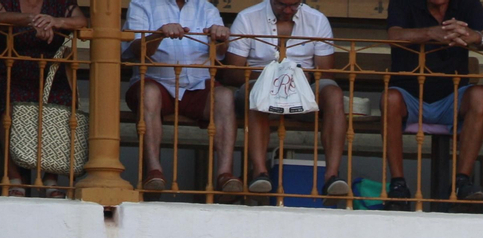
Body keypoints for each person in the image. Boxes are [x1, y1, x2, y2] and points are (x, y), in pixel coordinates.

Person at [223, 0, 349, 200]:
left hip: (303, 88)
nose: (289, 10)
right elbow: (234, 71)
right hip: (258, 82)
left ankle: (332, 176)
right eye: (282, 5)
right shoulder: (247, 18)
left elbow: (325, 73)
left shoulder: (316, 19)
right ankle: (260, 173)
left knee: (333, 93)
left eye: (294, 5)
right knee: (255, 92)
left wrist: (297, 78)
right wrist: (271, 79)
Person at [382, 0, 483, 205]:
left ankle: (462, 181)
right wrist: (431, 33)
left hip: (453, 96)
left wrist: (475, 36)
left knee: (481, 95)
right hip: (409, 94)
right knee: (389, 99)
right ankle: (398, 184)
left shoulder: (467, 3)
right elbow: (394, 36)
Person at [122, 0, 230, 193]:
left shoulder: (206, 7)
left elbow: (221, 53)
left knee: (225, 96)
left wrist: (221, 38)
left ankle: (225, 175)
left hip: (197, 85)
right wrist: (159, 34)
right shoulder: (142, 4)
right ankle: (154, 171)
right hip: (155, 83)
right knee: (149, 94)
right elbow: (137, 51)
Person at [0, 0, 87, 194]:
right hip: (11, 67)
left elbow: (81, 21)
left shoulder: (60, 3)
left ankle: (51, 178)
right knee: (8, 103)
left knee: (62, 101)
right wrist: (35, 20)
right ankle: (14, 177)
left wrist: (55, 21)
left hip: (51, 71)